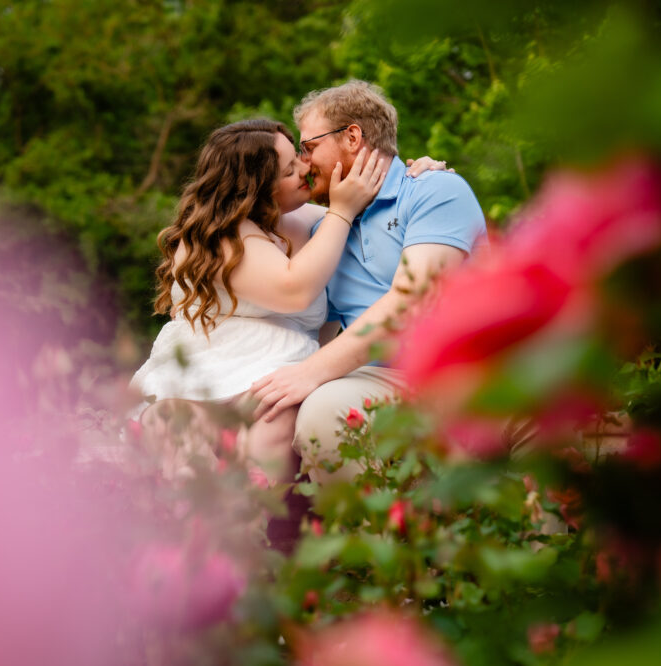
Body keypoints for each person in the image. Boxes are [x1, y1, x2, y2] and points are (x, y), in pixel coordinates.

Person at [129, 119, 444, 481]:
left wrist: (418, 181)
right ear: (255, 189)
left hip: (281, 375)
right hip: (210, 374)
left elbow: (380, 219)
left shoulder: (309, 220)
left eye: (298, 157)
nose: (304, 169)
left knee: (271, 430)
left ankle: (250, 509)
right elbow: (293, 290)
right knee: (175, 426)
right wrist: (342, 211)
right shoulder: (218, 235)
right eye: (289, 170)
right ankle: (192, 500)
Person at [249, 80, 489, 484]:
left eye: (308, 147)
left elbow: (412, 301)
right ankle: (369, 526)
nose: (304, 164)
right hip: (383, 382)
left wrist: (310, 372)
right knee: (322, 412)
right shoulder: (328, 230)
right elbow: (315, 324)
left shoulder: (434, 190)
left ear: (352, 137)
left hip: (463, 375)